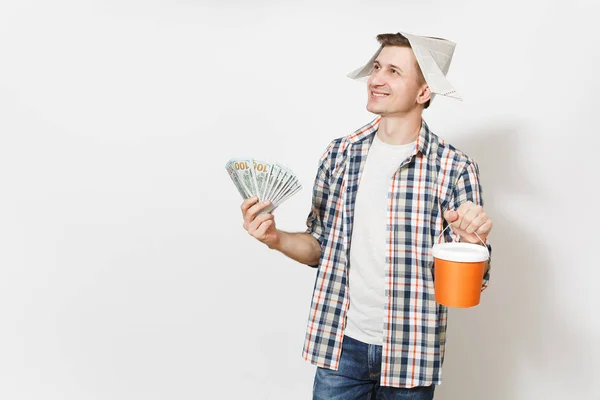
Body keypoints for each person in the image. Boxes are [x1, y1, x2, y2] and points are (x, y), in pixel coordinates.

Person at [240, 31, 493, 400]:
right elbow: (319, 248)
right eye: (376, 67)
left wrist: (471, 246)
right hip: (340, 347)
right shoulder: (340, 155)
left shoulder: (455, 168)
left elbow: (464, 288)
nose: (376, 79)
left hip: (411, 354)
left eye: (393, 71)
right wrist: (274, 239)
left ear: (424, 93)